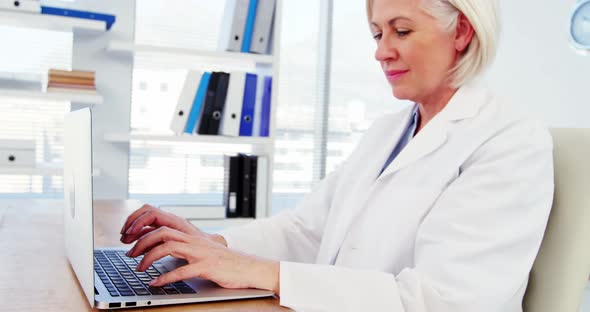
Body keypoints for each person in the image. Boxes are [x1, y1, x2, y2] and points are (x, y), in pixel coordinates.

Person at [119, 0, 554, 310]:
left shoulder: (509, 141)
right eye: (378, 33)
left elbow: (441, 302)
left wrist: (265, 274)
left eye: (401, 30)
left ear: (461, 31)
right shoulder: (387, 132)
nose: (382, 50)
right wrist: (211, 245)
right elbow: (306, 232)